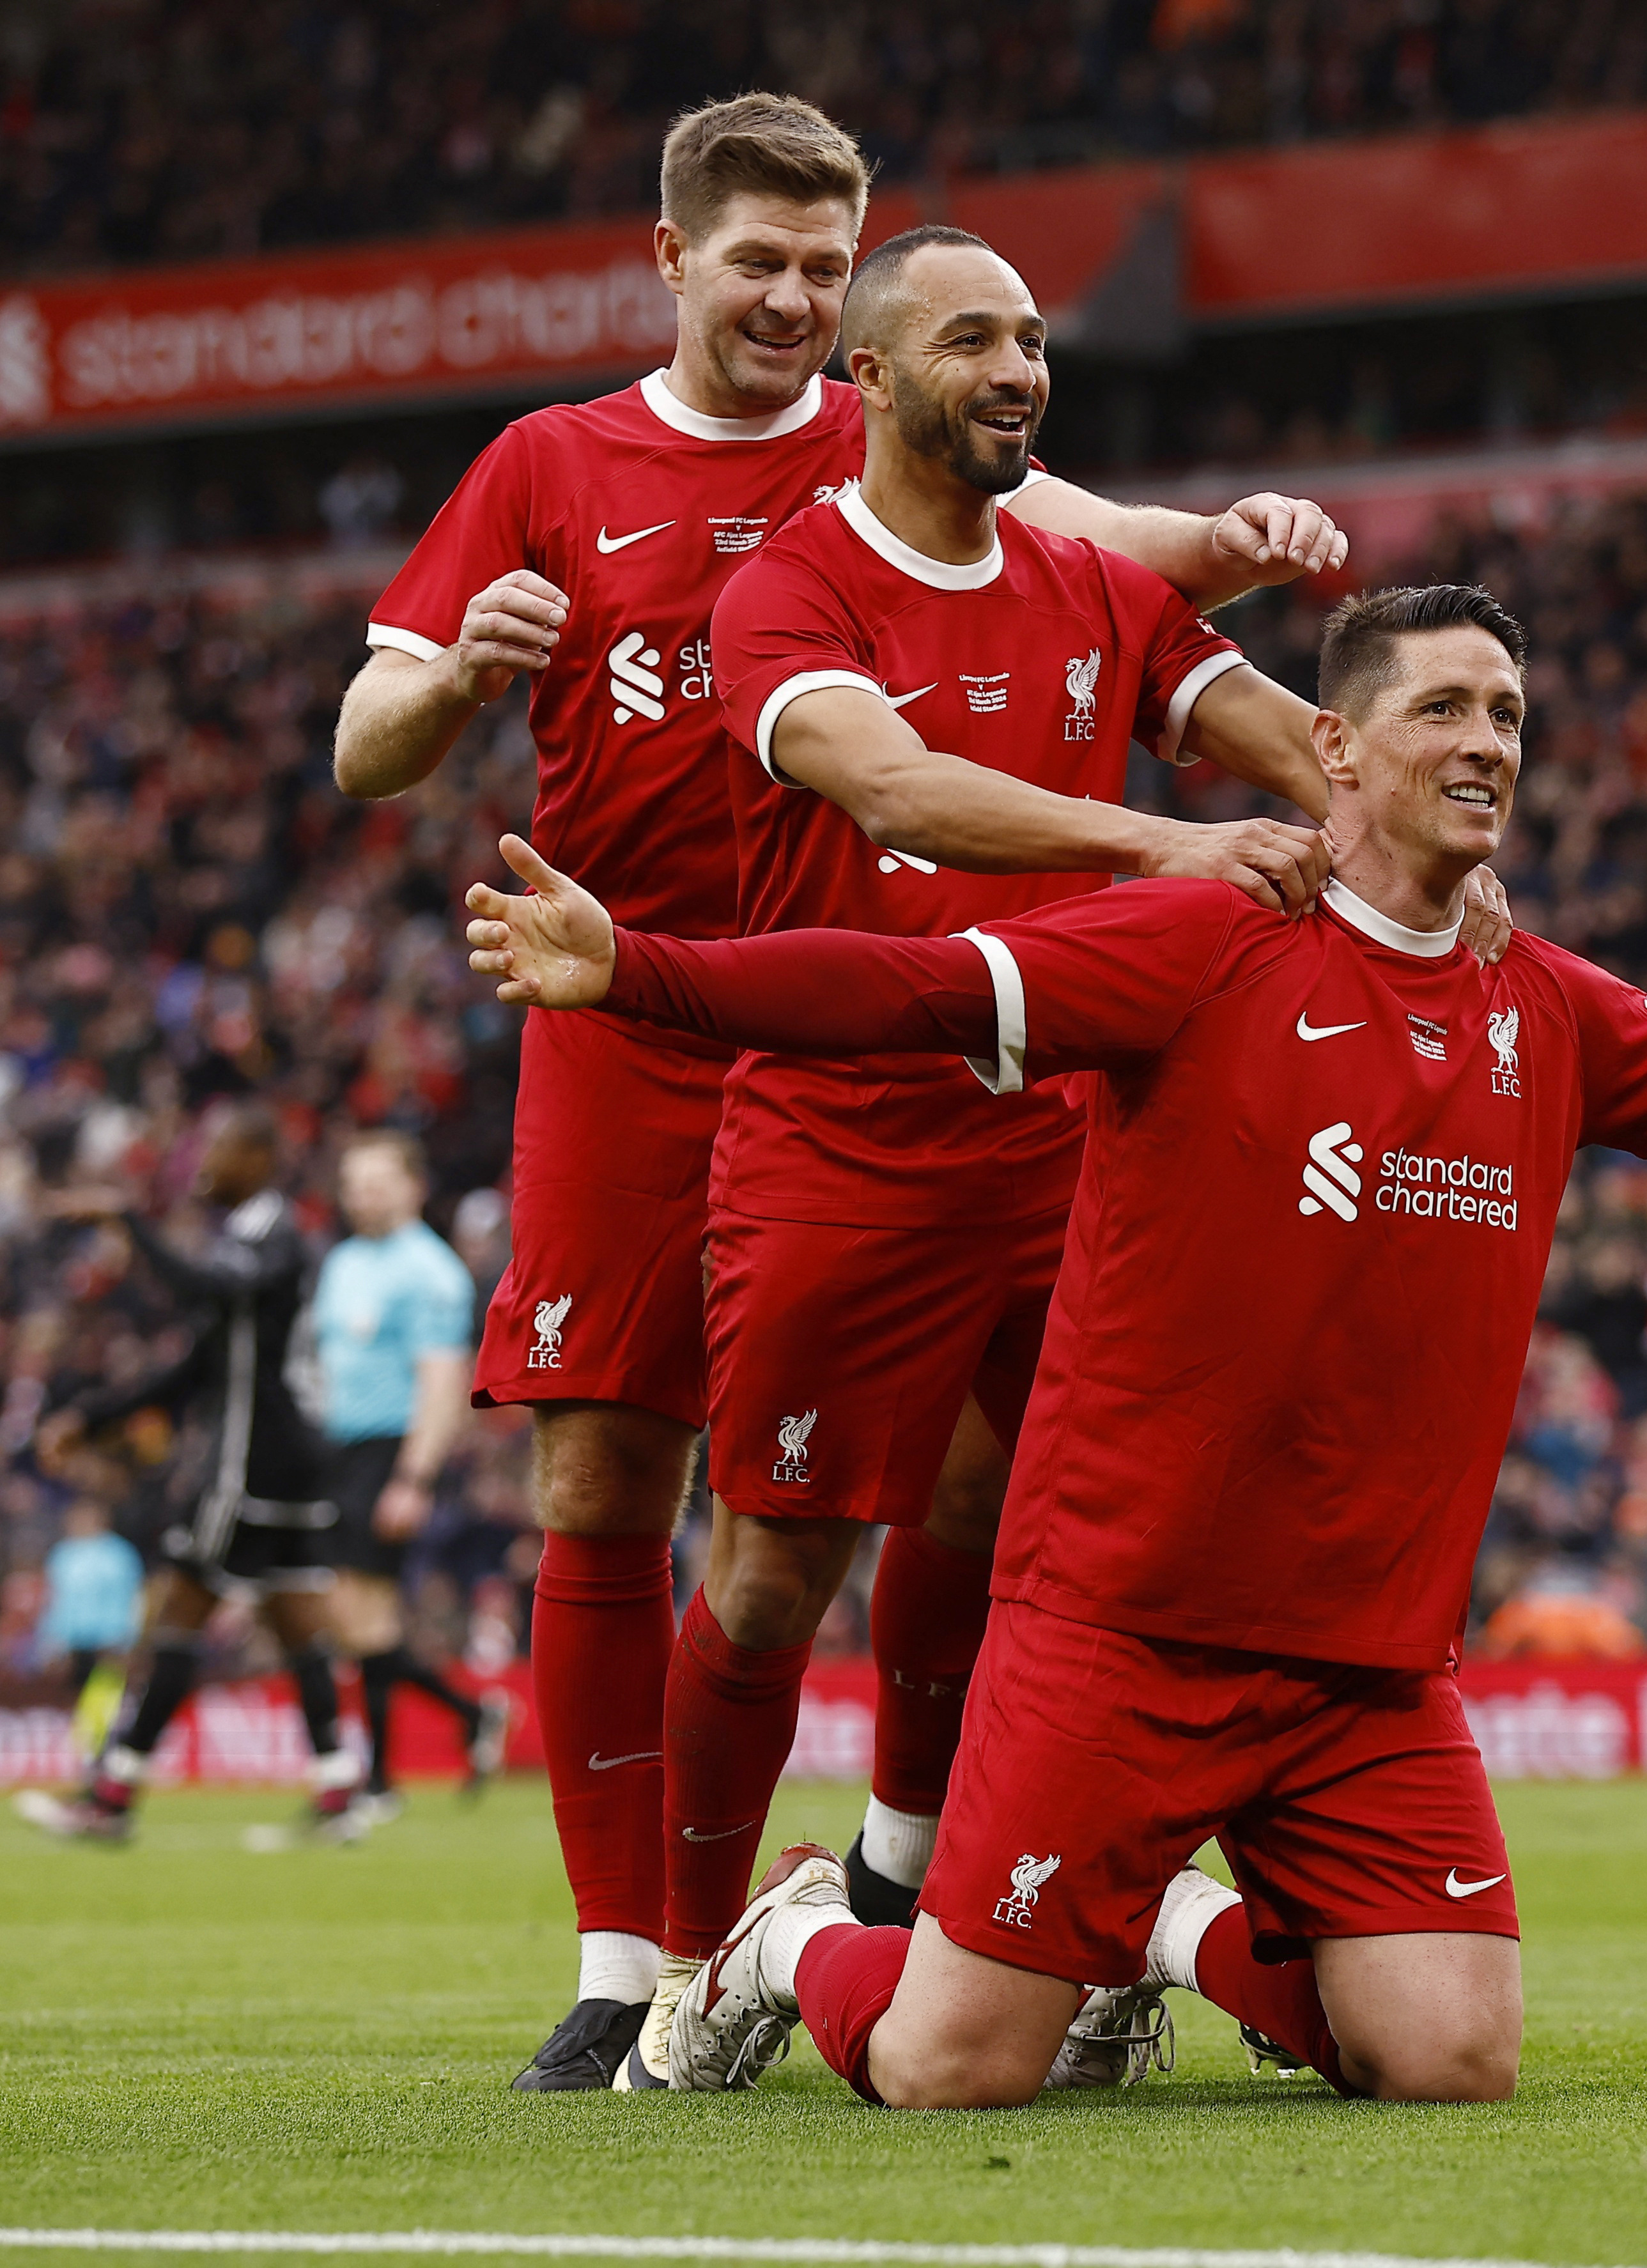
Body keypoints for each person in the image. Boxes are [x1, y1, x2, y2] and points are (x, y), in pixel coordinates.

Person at [460, 582, 1647, 2106]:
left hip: (1361, 1668)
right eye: (1442, 709)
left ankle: (1159, 1926)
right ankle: (795, 1932)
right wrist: (641, 969)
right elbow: (909, 985)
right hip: (1119, 1635)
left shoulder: (1546, 1005)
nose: (1488, 741)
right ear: (1334, 747)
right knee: (954, 2066)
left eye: (1508, 712)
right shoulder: (1199, 945)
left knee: (1449, 2058)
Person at [329, 91, 1354, 2092]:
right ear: (671, 260)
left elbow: (1105, 554)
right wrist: (451, 678)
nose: (794, 297)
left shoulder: (888, 421)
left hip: (886, 1018)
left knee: (966, 1484)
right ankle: (633, 1960)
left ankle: (897, 1869)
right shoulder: (551, 464)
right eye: (759, 262)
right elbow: (366, 737)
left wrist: (1237, 547)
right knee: (607, 1484)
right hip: (634, 1010)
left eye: (823, 263)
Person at [651, 219, 1501, 2067]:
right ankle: (685, 1954)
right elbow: (894, 783)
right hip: (842, 1141)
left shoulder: (1094, 589)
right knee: (772, 1576)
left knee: (1023, 1531)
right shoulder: (789, 590)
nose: (1018, 369)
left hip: (1069, 1146)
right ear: (869, 377)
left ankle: (922, 1882)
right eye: (973, 340)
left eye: (1032, 339)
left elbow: (1300, 744)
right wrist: (1162, 845)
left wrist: (1426, 824)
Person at [17, 1107, 361, 1844]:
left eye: (221, 1149)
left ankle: (113, 1796)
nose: (204, 1163)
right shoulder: (245, 1241)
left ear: (260, 1158)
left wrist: (128, 1222)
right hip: (288, 1463)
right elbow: (195, 1368)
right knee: (295, 1619)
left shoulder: (276, 1235)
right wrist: (94, 1416)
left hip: (252, 1466)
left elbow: (202, 1287)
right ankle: (339, 1787)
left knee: (178, 1612)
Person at [312, 1129, 504, 1821]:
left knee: (363, 1614)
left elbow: (442, 1377)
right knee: (359, 1617)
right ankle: (464, 1718)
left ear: (413, 1186)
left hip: (391, 1450)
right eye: (353, 1182)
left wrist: (414, 1477)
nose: (361, 1194)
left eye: (377, 1181)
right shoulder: (341, 1262)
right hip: (340, 1452)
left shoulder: (430, 1271)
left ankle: (378, 1779)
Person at [36, 1497, 142, 1763]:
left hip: (110, 1639)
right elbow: (55, 1599)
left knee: (105, 1694)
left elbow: (133, 1597)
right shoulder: (63, 1555)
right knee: (79, 1695)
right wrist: (52, 1638)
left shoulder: (119, 1554)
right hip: (73, 1640)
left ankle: (97, 1750)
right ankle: (87, 1752)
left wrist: (129, 1637)